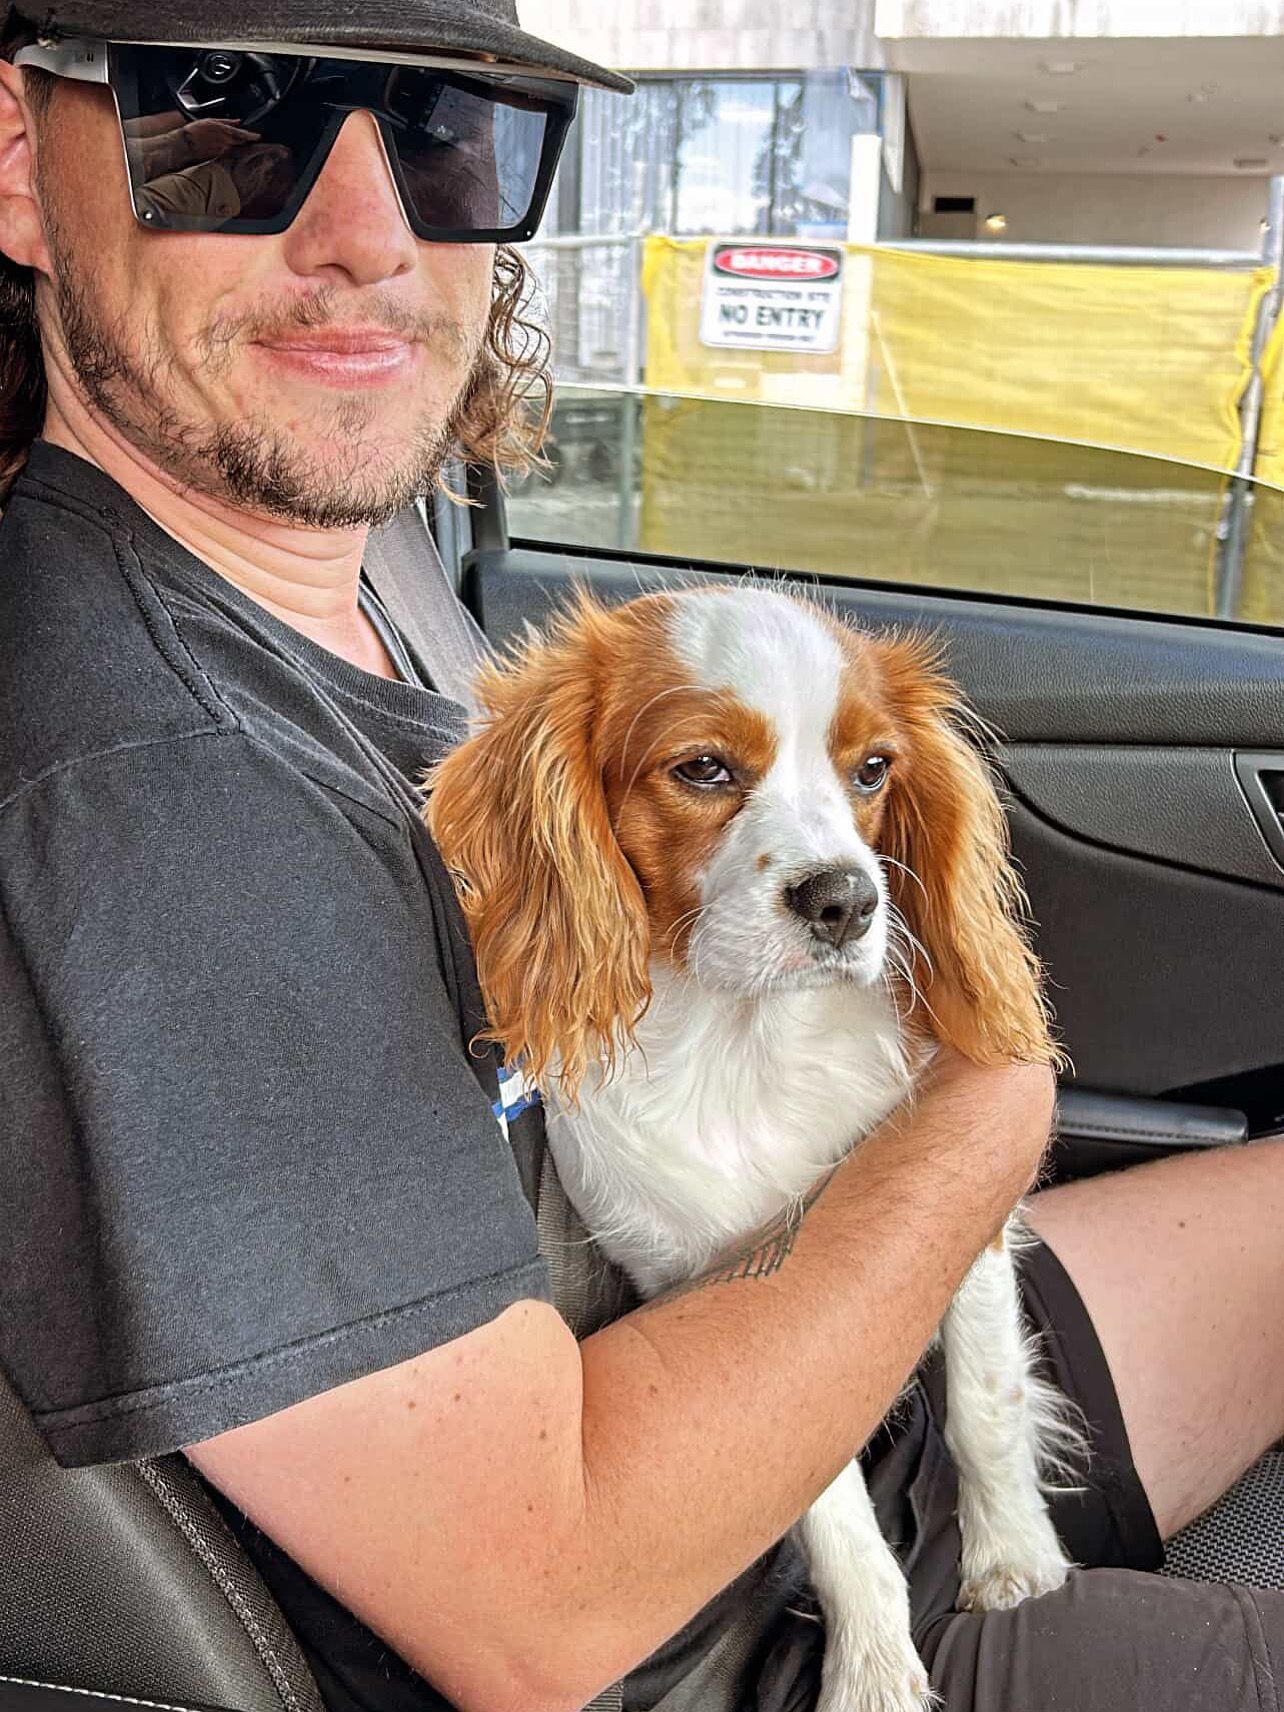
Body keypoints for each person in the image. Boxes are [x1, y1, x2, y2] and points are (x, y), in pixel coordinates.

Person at [0, 6, 1279, 1711]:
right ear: (21, 162)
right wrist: (990, 1113)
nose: (369, 235)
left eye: (451, 131)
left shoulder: (364, 577)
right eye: (225, 111)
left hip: (803, 1369)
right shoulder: (152, 788)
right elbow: (549, 1601)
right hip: (770, 1635)